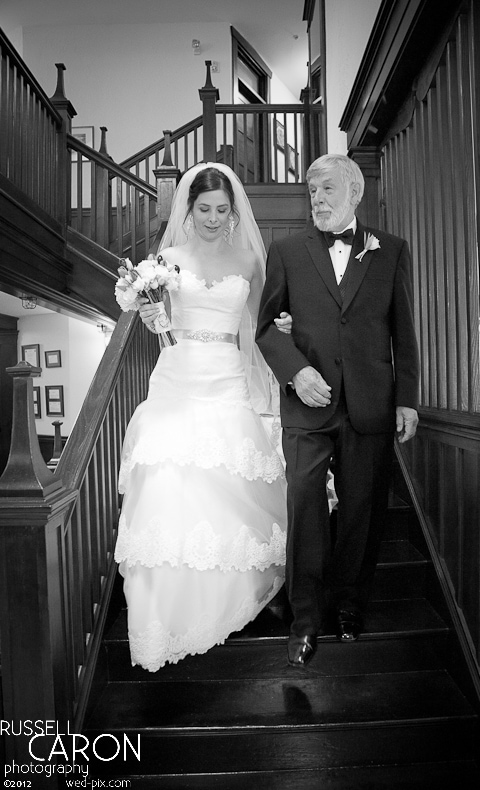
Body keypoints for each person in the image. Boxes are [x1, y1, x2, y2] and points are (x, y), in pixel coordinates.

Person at [114, 163, 289, 672]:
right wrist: (152, 315)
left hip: (227, 377)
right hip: (178, 376)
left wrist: (276, 366)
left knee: (227, 485)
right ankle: (162, 616)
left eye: (221, 210)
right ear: (188, 210)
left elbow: (259, 329)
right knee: (169, 484)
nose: (213, 218)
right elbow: (162, 320)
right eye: (203, 209)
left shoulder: (251, 260)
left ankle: (225, 599)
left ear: (233, 212)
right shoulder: (166, 259)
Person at [256, 154, 420, 667]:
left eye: (327, 190)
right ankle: (304, 621)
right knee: (305, 504)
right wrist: (296, 372)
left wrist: (408, 398)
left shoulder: (390, 251)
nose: (318, 200)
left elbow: (403, 332)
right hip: (307, 407)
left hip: (370, 405)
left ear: (355, 193)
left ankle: (350, 605)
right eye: (311, 192)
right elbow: (265, 328)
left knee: (362, 512)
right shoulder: (286, 251)